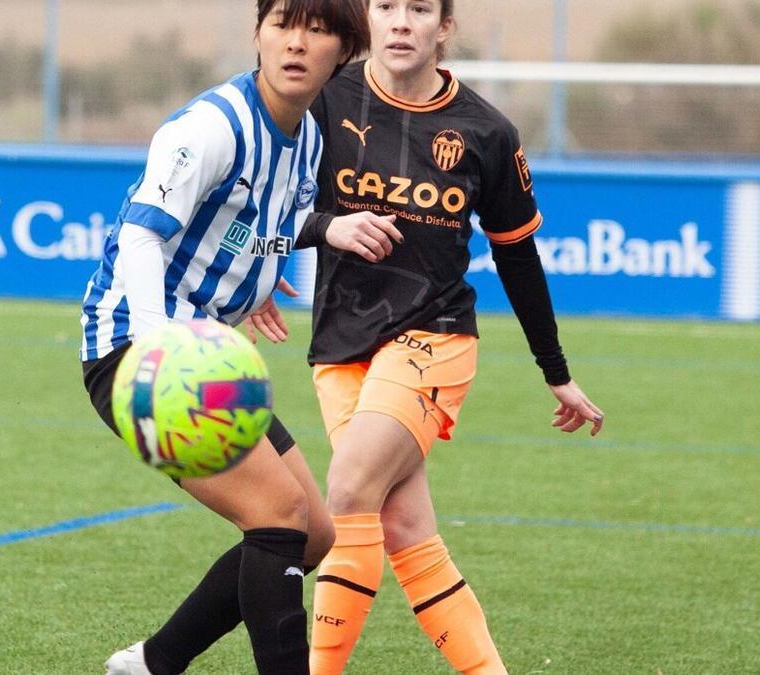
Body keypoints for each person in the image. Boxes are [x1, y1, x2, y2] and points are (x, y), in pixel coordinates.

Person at [247, 1, 606, 673]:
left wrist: (554, 369)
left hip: (433, 335)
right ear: (369, 19)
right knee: (406, 530)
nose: (402, 21)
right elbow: (269, 206)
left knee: (348, 489)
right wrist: (292, 249)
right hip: (339, 345)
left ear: (444, 27)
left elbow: (517, 255)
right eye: (386, 6)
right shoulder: (326, 99)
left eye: (419, 9)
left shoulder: (487, 132)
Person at [77, 2, 405, 674]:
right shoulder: (210, 129)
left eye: (317, 29)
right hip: (136, 354)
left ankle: (152, 662)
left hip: (204, 355)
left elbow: (249, 231)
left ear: (344, 51)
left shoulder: (307, 137)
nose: (295, 42)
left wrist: (261, 273)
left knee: (313, 534)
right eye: (283, 22)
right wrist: (157, 351)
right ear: (257, 32)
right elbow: (140, 234)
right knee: (278, 514)